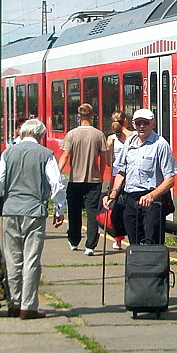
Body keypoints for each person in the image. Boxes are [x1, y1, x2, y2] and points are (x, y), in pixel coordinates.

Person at [0, 118, 66, 319]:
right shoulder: (46, 155)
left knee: (12, 259)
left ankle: (14, 303)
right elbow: (56, 184)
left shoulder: (8, 153)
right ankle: (28, 306)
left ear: (21, 133)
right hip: (34, 211)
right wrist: (59, 210)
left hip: (10, 210)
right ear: (41, 136)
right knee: (31, 259)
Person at [103, 108, 177, 246]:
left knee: (152, 242)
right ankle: (137, 267)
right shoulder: (129, 143)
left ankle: (153, 266)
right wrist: (113, 193)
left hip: (152, 201)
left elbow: (170, 178)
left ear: (153, 123)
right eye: (138, 123)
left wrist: (152, 196)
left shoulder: (160, 144)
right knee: (134, 242)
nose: (142, 126)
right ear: (133, 124)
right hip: (130, 199)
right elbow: (121, 171)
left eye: (145, 122)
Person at [58, 103, 112, 255]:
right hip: (94, 181)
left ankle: (74, 241)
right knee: (92, 213)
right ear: (92, 115)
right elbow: (103, 159)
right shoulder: (98, 134)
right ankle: (90, 246)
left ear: (78, 116)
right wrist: (100, 175)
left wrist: (56, 173)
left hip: (75, 180)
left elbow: (65, 155)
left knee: (74, 212)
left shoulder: (72, 134)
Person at [106, 110, 134, 250]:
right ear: (126, 121)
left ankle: (117, 240)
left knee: (116, 209)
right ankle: (134, 238)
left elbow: (109, 163)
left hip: (116, 177)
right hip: (132, 177)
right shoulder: (134, 137)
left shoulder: (111, 139)